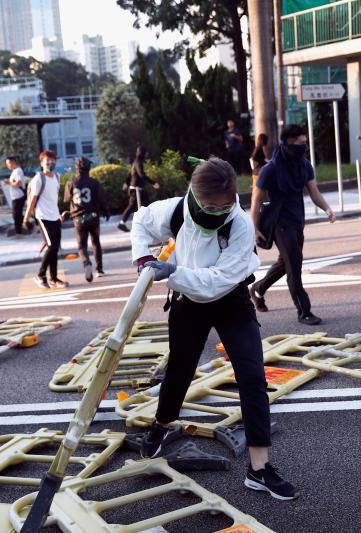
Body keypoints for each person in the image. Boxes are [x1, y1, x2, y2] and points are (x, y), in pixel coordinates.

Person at [131, 157, 298, 500]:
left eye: (223, 206)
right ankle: (161, 425)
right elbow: (140, 223)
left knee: (252, 376)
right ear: (194, 193)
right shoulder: (176, 210)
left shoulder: (239, 224)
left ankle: (259, 469)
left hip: (230, 300)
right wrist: (144, 260)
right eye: (209, 205)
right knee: (179, 371)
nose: (216, 212)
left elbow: (217, 282)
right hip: (187, 304)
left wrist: (172, 273)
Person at [249, 124, 336, 326]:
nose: (304, 147)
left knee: (286, 263)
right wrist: (253, 228)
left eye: (305, 143)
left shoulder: (304, 165)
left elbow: (314, 192)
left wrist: (327, 209)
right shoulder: (270, 169)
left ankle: (258, 289)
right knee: (294, 265)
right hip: (279, 222)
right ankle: (304, 311)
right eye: (301, 143)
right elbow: (256, 199)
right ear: (288, 144)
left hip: (297, 220)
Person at [24, 150, 68, 289]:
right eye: (47, 161)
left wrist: (59, 214)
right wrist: (26, 218)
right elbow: (33, 199)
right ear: (41, 163)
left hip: (55, 216)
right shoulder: (39, 179)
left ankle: (53, 278)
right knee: (51, 246)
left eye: (53, 160)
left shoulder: (57, 177)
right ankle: (40, 275)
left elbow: (53, 198)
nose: (51, 163)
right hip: (43, 216)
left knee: (55, 248)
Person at [63, 157, 110, 282]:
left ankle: (86, 263)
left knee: (82, 246)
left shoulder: (71, 182)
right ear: (89, 168)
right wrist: (105, 210)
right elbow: (101, 199)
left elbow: (67, 199)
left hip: (78, 219)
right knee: (96, 242)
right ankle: (99, 270)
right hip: (93, 217)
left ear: (76, 168)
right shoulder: (94, 183)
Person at [117, 146, 160, 232]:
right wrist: (153, 183)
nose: (146, 155)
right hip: (136, 190)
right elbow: (141, 175)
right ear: (142, 153)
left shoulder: (136, 162)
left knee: (142, 206)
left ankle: (147, 224)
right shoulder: (138, 162)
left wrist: (126, 182)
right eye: (145, 153)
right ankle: (149, 225)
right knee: (143, 206)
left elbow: (130, 174)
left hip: (136, 189)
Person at [2, 156, 27, 235]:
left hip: (19, 196)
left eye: (8, 163)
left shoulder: (18, 171)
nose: (8, 165)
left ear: (13, 162)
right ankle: (27, 225)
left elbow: (18, 184)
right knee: (17, 214)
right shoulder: (14, 172)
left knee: (16, 215)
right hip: (15, 196)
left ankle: (19, 232)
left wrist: (8, 182)